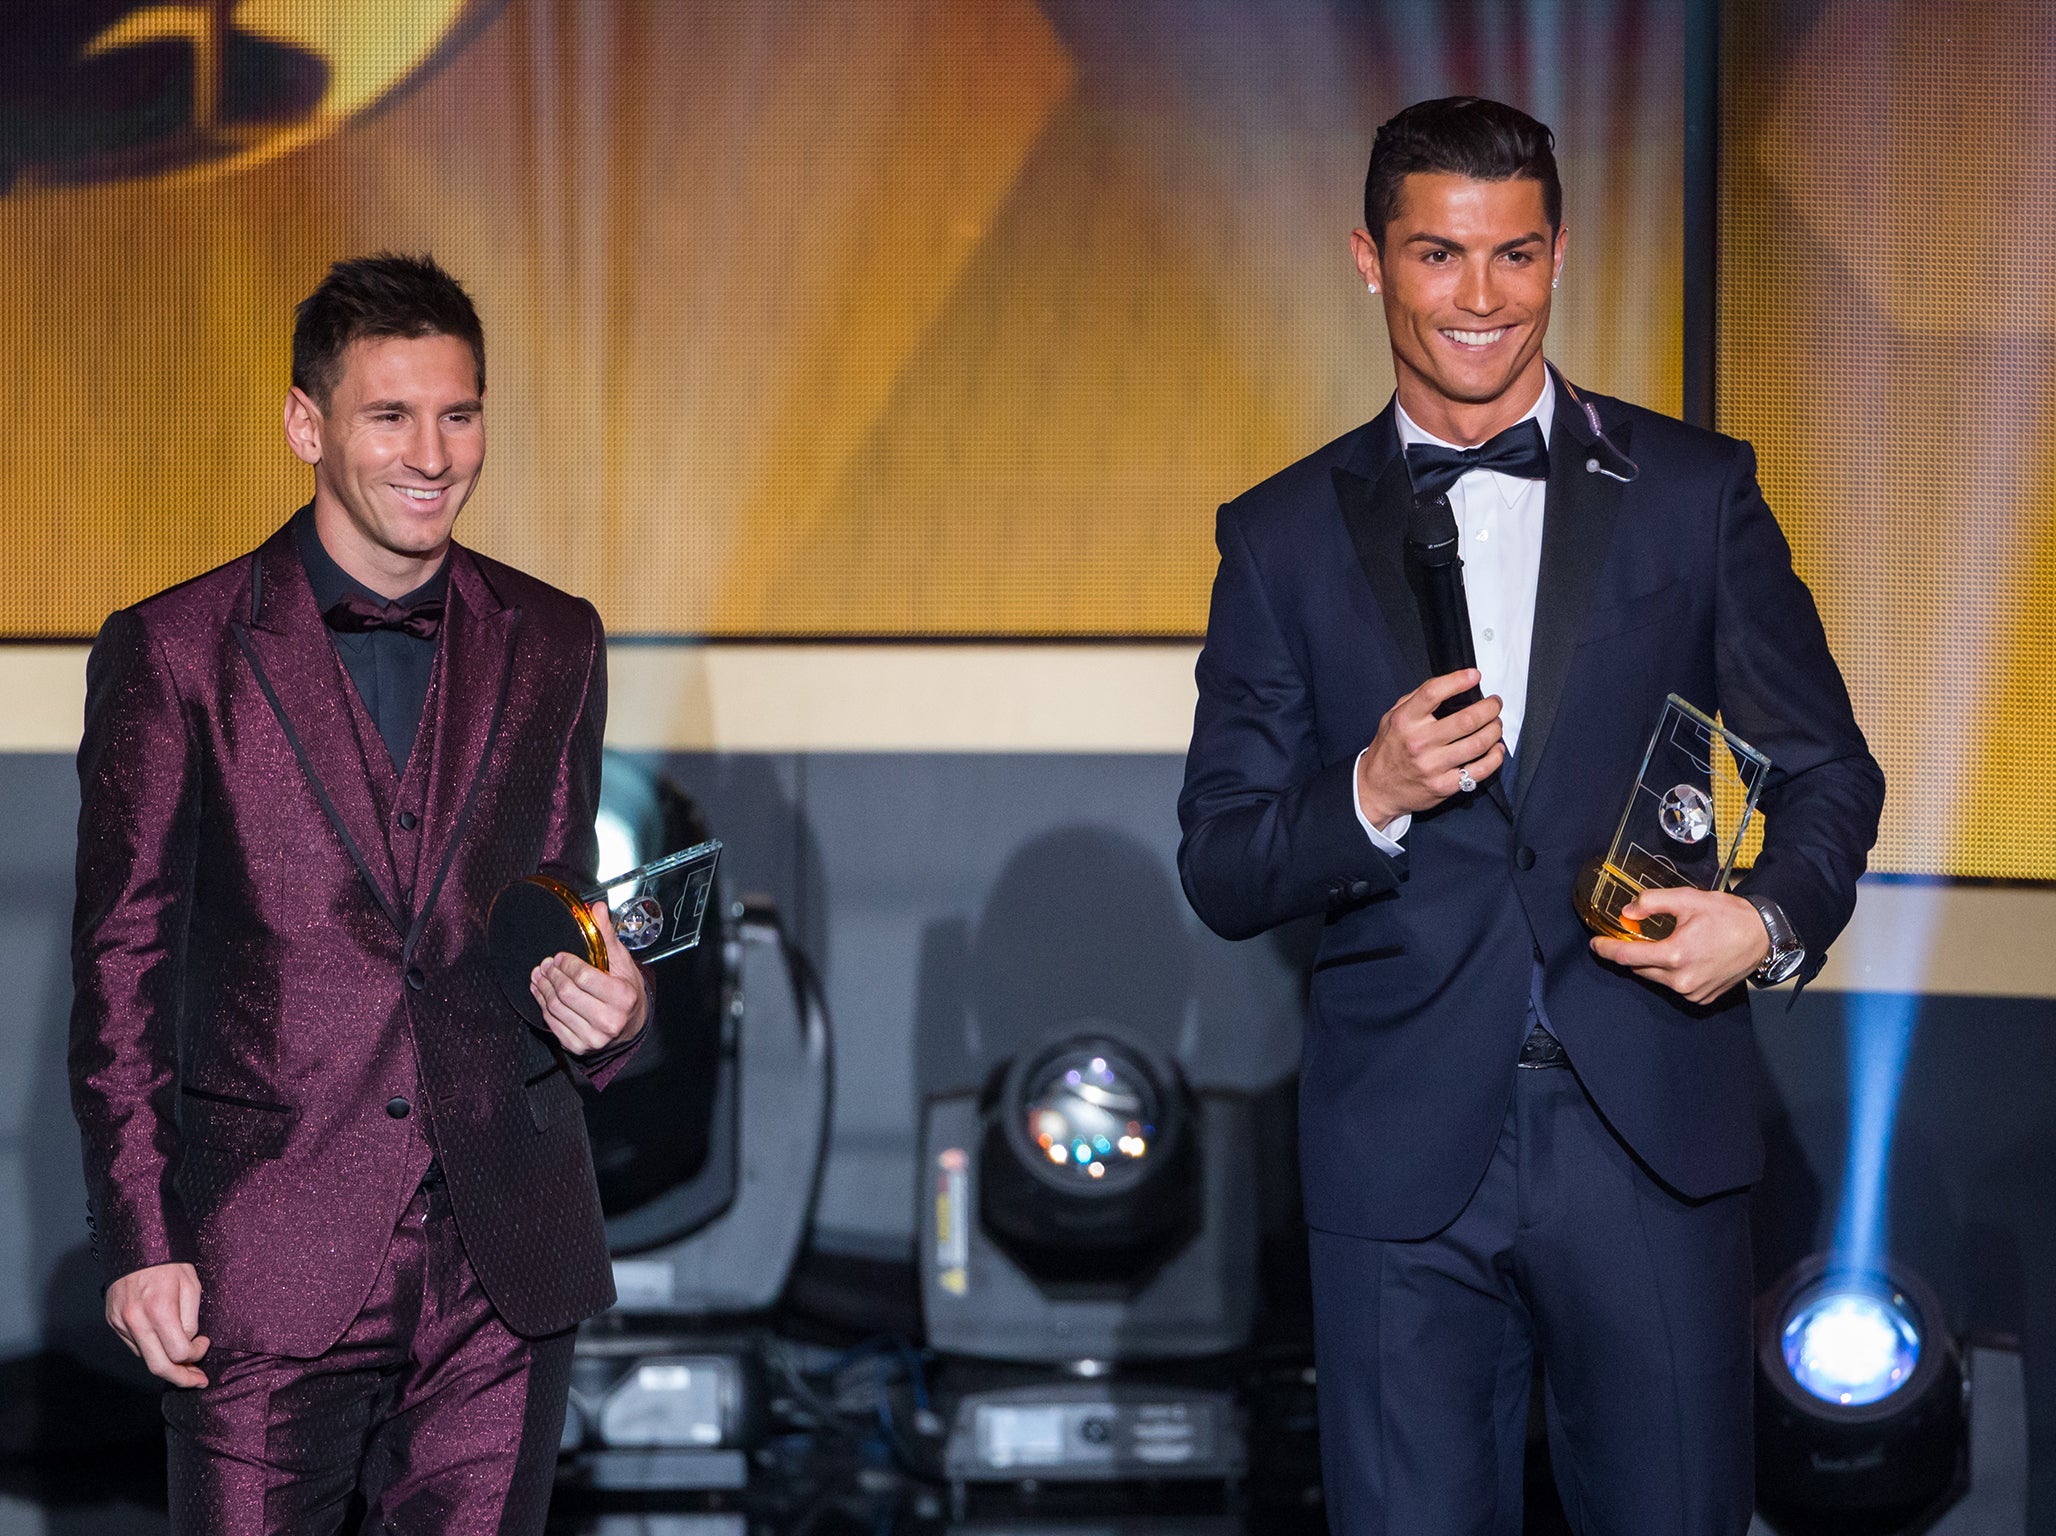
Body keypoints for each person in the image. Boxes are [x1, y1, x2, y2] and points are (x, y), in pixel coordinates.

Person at [1177, 98, 1883, 1533]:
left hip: (1649, 1131)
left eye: (1514, 255)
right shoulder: (1279, 534)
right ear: (1369, 259)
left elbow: (1829, 773)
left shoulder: (1691, 492)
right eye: (1440, 255)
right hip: (1400, 1154)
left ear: (1558, 254)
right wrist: (1365, 792)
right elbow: (1223, 859)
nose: (1480, 299)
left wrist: (1765, 921)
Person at [70, 252, 648, 1533]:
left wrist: (614, 1008)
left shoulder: (556, 639)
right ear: (306, 425)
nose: (431, 452)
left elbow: (560, 909)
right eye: (390, 414)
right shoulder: (175, 652)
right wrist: (140, 1233)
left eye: (459, 413)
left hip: (503, 1252)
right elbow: (123, 965)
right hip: (262, 1248)